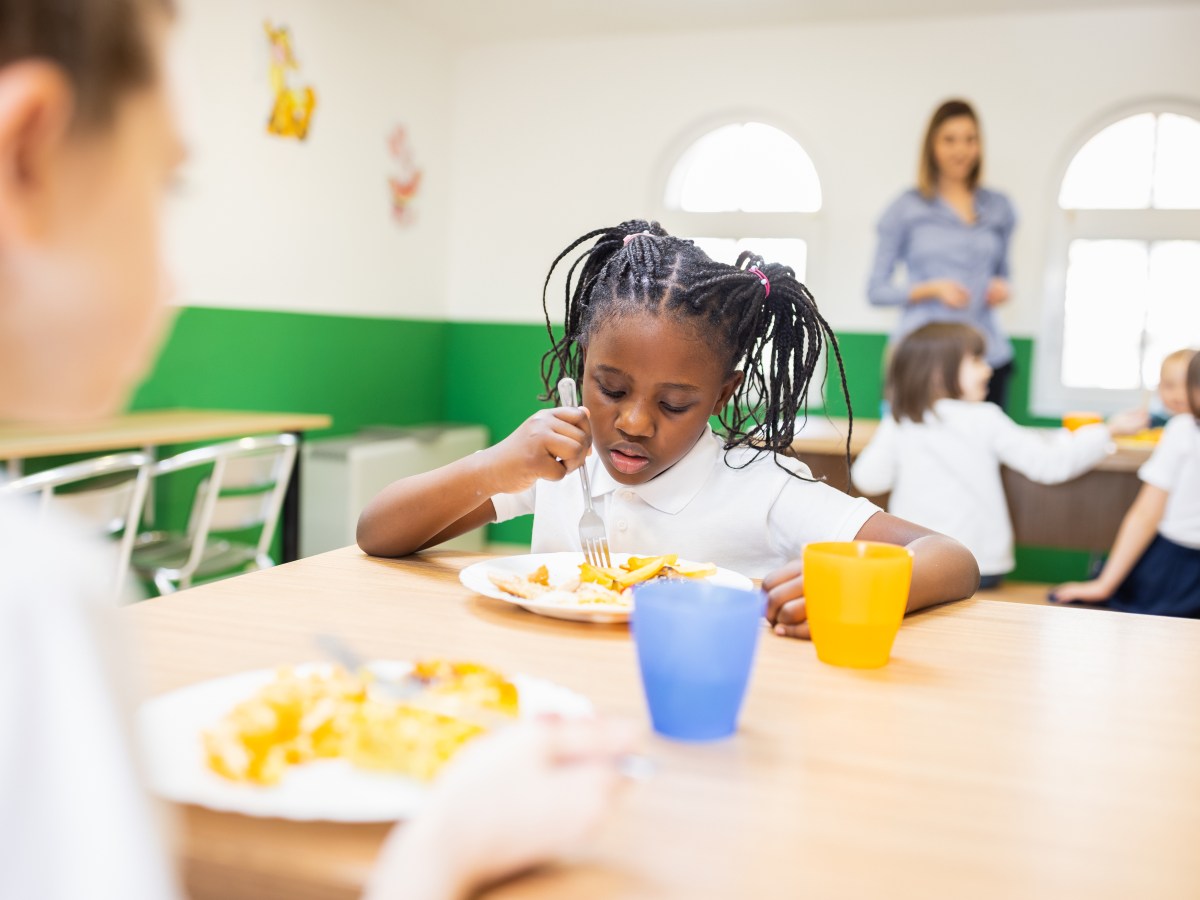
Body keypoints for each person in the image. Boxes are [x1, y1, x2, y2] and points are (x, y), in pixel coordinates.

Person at [0, 1, 634, 898]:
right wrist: (445, 847)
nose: (177, 276)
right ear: (27, 154)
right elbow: (383, 529)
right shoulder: (29, 594)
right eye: (165, 182)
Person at [358, 221, 981, 639]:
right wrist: (493, 466)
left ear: (721, 396)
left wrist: (853, 589)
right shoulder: (560, 465)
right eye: (612, 389)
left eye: (676, 403)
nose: (632, 422)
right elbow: (378, 533)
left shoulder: (763, 487)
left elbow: (950, 559)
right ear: (582, 369)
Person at [850, 324, 1145, 589]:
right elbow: (1049, 463)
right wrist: (1108, 431)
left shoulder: (902, 421)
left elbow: (869, 479)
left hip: (917, 560)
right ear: (939, 373)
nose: (988, 370)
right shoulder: (985, 417)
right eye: (977, 360)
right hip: (978, 565)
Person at [867, 99, 1019, 411]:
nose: (960, 150)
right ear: (932, 146)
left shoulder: (999, 207)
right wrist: (931, 289)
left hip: (984, 357)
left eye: (970, 139)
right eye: (949, 139)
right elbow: (876, 290)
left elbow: (1004, 275)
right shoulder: (905, 208)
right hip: (925, 359)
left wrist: (1002, 288)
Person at [1051, 352, 1200, 616]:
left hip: (1174, 570)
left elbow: (1146, 515)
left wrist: (1103, 585)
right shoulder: (1181, 428)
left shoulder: (1183, 429)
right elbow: (1146, 515)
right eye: (1168, 385)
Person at [1149, 348, 1196, 428]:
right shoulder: (1153, 422)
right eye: (1169, 385)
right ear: (1159, 387)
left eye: (1188, 386)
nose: (1179, 393)